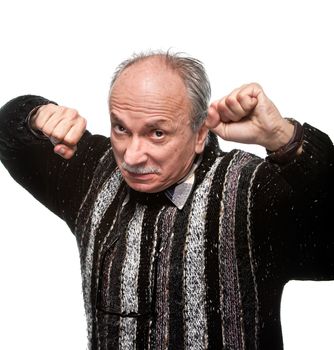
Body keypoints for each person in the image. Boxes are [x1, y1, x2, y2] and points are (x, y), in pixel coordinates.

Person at [0, 51, 333, 350]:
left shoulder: (250, 191)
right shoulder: (94, 172)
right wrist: (36, 115)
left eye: (156, 133)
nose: (131, 155)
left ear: (201, 133)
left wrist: (286, 142)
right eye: (121, 128)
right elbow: (8, 134)